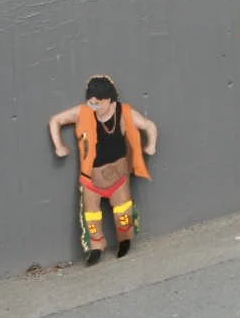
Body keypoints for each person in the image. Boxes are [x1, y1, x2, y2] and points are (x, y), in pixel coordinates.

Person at [47, 76, 158, 265]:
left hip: (118, 176)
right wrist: (59, 146)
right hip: (91, 178)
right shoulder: (83, 113)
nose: (94, 106)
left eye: (98, 103)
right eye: (91, 102)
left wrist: (151, 145)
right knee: (91, 216)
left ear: (109, 100)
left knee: (123, 212)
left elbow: (148, 125)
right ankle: (96, 247)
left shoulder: (124, 113)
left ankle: (125, 240)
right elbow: (55, 120)